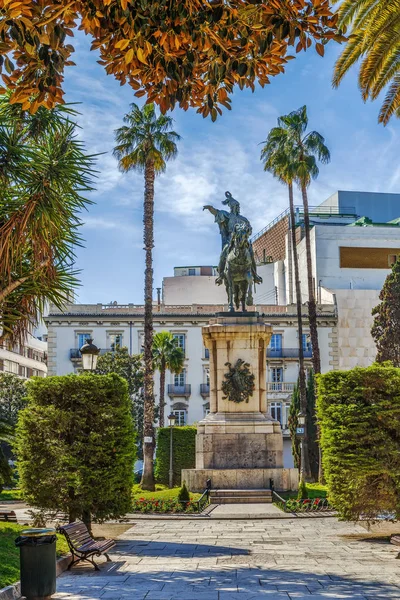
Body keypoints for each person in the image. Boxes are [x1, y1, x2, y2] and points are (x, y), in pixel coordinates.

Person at [203, 191, 261, 285]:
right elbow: (217, 213)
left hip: (243, 240)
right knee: (224, 253)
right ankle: (221, 275)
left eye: (238, 206)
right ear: (231, 207)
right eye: (235, 206)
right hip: (231, 240)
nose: (237, 208)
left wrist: (247, 232)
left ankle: (255, 275)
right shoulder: (228, 216)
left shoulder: (244, 219)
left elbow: (250, 229)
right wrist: (210, 208)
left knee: (250, 252)